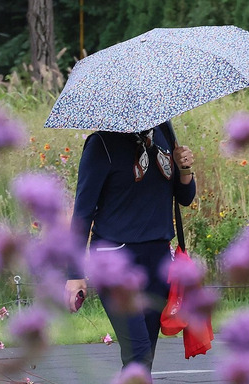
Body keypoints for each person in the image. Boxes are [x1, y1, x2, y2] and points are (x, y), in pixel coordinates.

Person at [65, 121, 196, 373]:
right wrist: (74, 274)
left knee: (145, 354)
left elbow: (185, 197)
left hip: (157, 259)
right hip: (114, 261)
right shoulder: (101, 144)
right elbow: (82, 213)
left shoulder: (164, 131)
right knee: (138, 354)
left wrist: (185, 168)